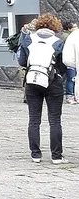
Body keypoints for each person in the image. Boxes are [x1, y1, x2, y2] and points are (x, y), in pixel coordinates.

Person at [18, 13, 68, 164]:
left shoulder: (28, 40)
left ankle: (35, 154)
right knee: (55, 120)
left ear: (39, 25)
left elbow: (22, 61)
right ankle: (56, 156)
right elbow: (63, 65)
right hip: (53, 82)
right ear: (55, 27)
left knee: (34, 119)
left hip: (32, 81)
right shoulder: (59, 42)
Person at [63, 21, 78, 106]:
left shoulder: (71, 36)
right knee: (71, 79)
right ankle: (70, 96)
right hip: (71, 62)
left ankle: (71, 95)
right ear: (69, 28)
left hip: (71, 61)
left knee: (71, 79)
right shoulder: (69, 37)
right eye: (74, 27)